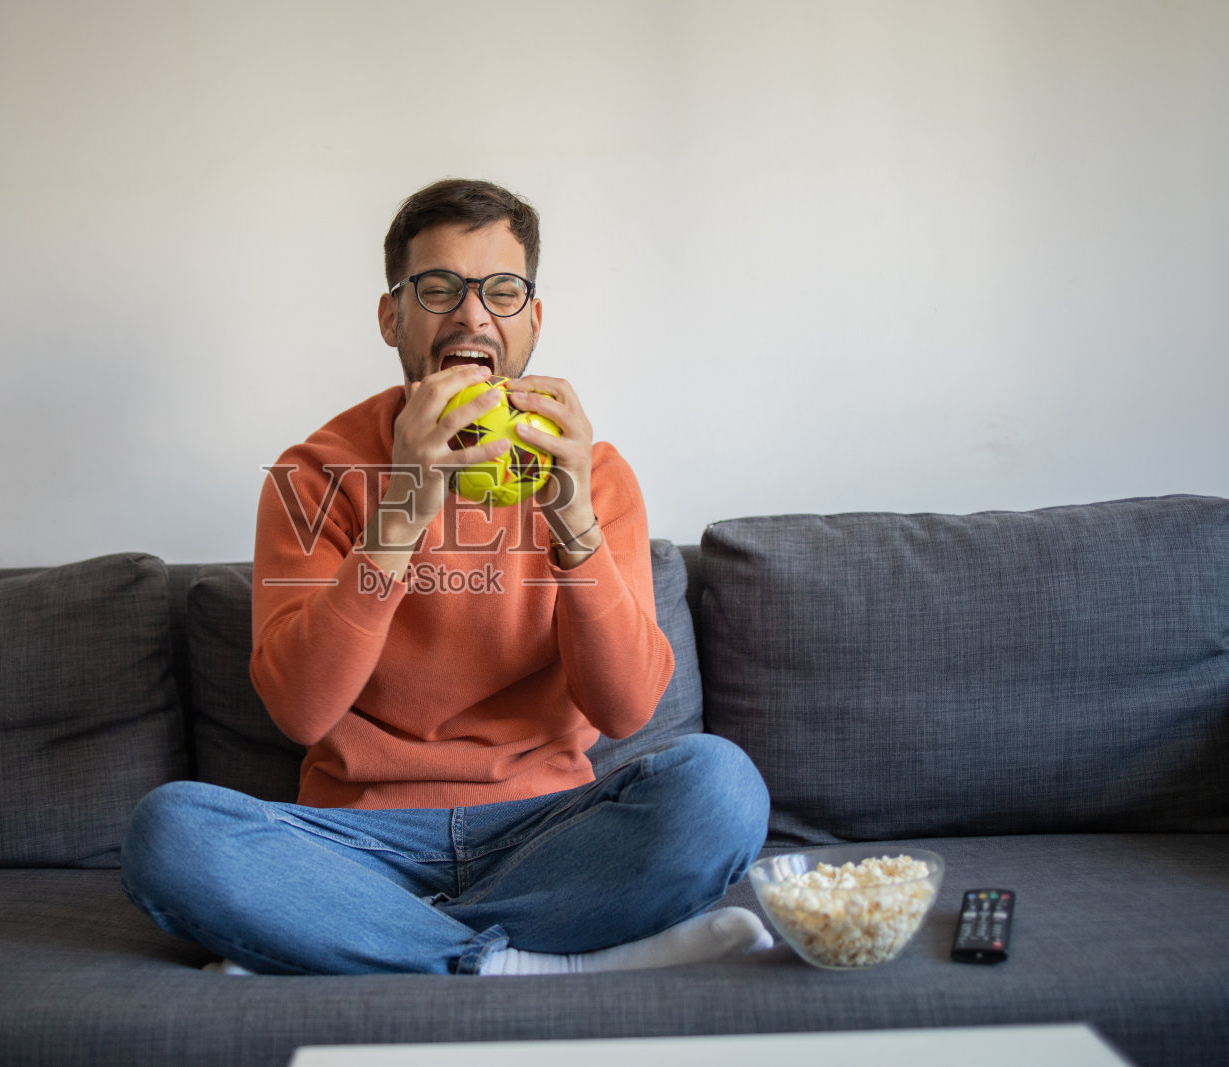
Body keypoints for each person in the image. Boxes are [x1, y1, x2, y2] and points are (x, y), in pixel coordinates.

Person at [121, 178, 771, 976]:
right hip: (358, 842)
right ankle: (519, 957)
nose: (472, 315)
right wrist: (401, 511)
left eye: (502, 290)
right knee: (171, 833)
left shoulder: (591, 471)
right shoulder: (313, 474)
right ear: (391, 316)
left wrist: (571, 517)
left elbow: (627, 708)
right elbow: (301, 709)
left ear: (533, 319)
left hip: (547, 828)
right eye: (438, 288)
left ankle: (383, 943)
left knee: (721, 788)